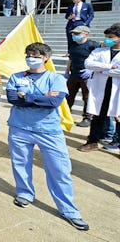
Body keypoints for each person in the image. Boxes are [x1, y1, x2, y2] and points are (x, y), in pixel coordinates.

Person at [6, 42, 89, 231]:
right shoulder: (16, 76)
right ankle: (25, 193)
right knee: (20, 164)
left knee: (59, 169)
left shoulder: (55, 78)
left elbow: (53, 101)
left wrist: (25, 97)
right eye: (28, 54)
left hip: (48, 131)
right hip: (19, 128)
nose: (31, 58)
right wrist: (40, 97)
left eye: (35, 55)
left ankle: (69, 210)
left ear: (46, 57)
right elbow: (11, 98)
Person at [77, 24, 120, 152]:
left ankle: (117, 142)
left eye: (111, 37)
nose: (107, 40)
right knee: (98, 115)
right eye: (106, 37)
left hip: (117, 89)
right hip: (101, 88)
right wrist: (109, 67)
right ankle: (93, 141)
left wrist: (102, 70)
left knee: (118, 116)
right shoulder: (99, 51)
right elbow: (88, 63)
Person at [64, 26, 99, 128]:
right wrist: (67, 71)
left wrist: (91, 70)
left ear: (86, 34)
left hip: (87, 76)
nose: (75, 36)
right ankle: (66, 114)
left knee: (87, 97)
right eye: (74, 33)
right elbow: (70, 59)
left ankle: (87, 118)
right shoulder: (73, 45)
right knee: (68, 96)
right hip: (74, 74)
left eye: (77, 34)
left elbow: (99, 60)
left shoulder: (93, 45)